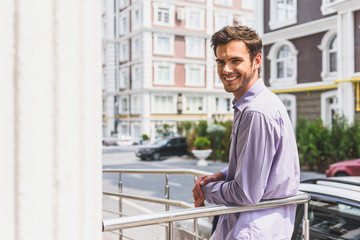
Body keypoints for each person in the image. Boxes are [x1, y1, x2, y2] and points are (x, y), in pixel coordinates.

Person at [192, 25, 300, 240]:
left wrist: (206, 191)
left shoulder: (256, 111)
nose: (226, 70)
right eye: (221, 62)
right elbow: (260, 167)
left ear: (257, 61)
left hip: (252, 231)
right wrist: (223, 174)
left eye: (235, 61)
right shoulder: (250, 105)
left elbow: (246, 192)